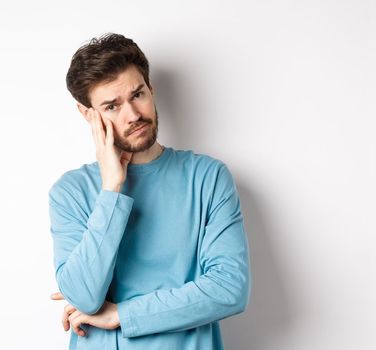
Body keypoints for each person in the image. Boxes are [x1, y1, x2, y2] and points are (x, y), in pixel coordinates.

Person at [48, 33, 251, 350]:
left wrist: (122, 314)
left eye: (137, 95)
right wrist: (111, 188)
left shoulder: (207, 177)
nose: (132, 115)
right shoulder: (70, 192)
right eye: (112, 106)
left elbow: (228, 290)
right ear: (89, 115)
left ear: (151, 90)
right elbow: (85, 297)